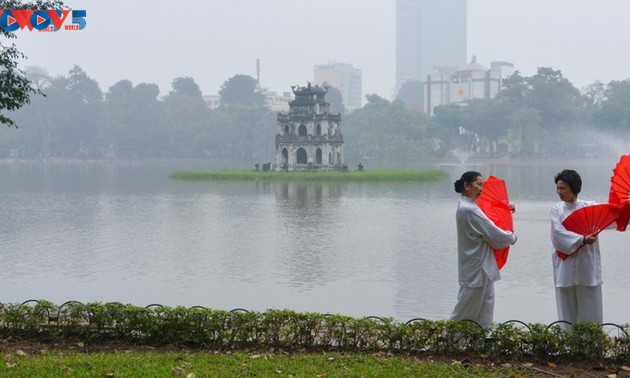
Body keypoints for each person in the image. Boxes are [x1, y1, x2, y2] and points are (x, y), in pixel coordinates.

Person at [451, 171, 518, 327]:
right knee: (465, 311)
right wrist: (511, 237)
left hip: (481, 267)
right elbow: (493, 233)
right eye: (478, 184)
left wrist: (505, 209)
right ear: (466, 186)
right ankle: (452, 344)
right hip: (476, 268)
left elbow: (488, 214)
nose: (482, 188)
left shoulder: (469, 206)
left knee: (484, 310)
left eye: (482, 185)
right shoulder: (469, 209)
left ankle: (480, 345)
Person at [550, 169, 602, 329]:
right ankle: (568, 349)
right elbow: (558, 236)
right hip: (565, 268)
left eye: (563, 188)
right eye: (558, 188)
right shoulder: (556, 210)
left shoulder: (591, 207)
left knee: (591, 313)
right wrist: (582, 240)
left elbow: (611, 217)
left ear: (574, 187)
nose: (559, 192)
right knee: (567, 314)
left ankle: (592, 348)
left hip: (587, 267)